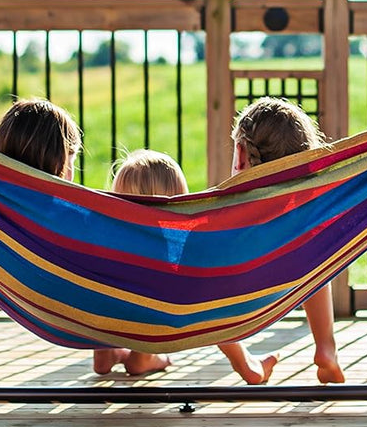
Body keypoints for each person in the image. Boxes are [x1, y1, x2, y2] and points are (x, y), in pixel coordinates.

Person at [0, 98, 167, 377]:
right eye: (71, 160)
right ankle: (142, 356)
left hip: (46, 306)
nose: (72, 172)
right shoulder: (71, 215)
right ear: (59, 160)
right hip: (90, 307)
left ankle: (107, 350)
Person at [110, 149, 278, 385]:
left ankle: (110, 352)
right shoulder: (182, 245)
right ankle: (246, 364)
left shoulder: (111, 243)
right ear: (179, 198)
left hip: (120, 319)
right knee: (209, 303)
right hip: (172, 321)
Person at [231, 97, 345, 384]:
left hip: (225, 306)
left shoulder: (220, 214)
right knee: (314, 255)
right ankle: (326, 347)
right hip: (285, 290)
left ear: (241, 154)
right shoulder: (304, 220)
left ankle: (244, 363)